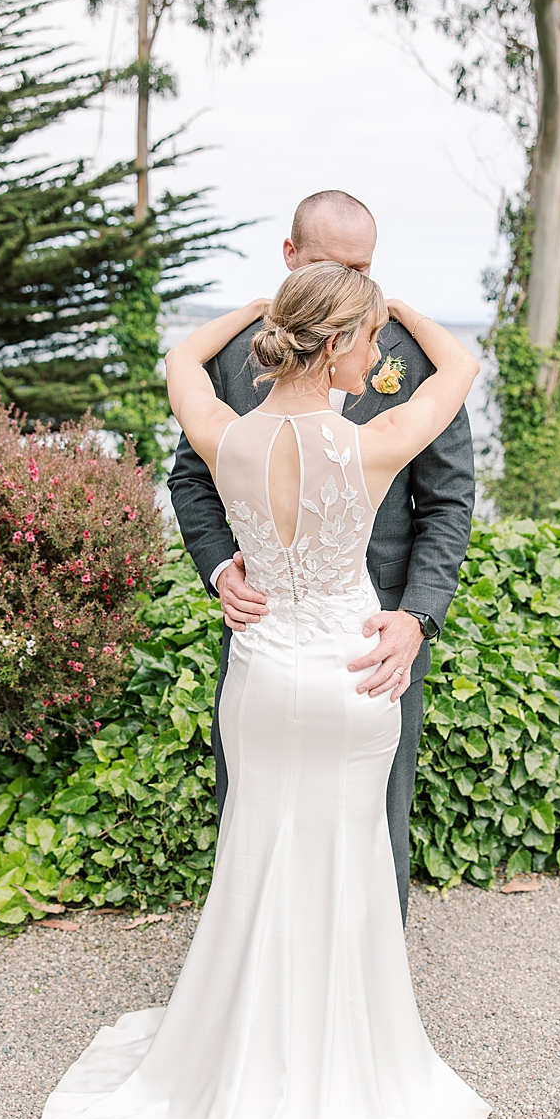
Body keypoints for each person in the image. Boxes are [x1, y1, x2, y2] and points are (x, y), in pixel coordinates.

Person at [38, 261, 488, 1119]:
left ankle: (244, 1063)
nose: (379, 355)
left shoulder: (223, 436)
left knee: (257, 862)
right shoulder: (370, 444)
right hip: (345, 687)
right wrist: (399, 296)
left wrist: (263, 306)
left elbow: (180, 356)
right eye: (368, 338)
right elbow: (459, 362)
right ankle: (338, 1075)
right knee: (343, 870)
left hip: (261, 680)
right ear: (336, 348)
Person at [167, 190, 476, 926]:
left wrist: (417, 618)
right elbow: (189, 482)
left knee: (373, 815)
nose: (352, 293)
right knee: (254, 812)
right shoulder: (243, 370)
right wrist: (219, 568)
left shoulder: (398, 352)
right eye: (334, 269)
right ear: (290, 260)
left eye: (364, 272)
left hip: (377, 641)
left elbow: (447, 504)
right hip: (263, 631)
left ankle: (365, 971)